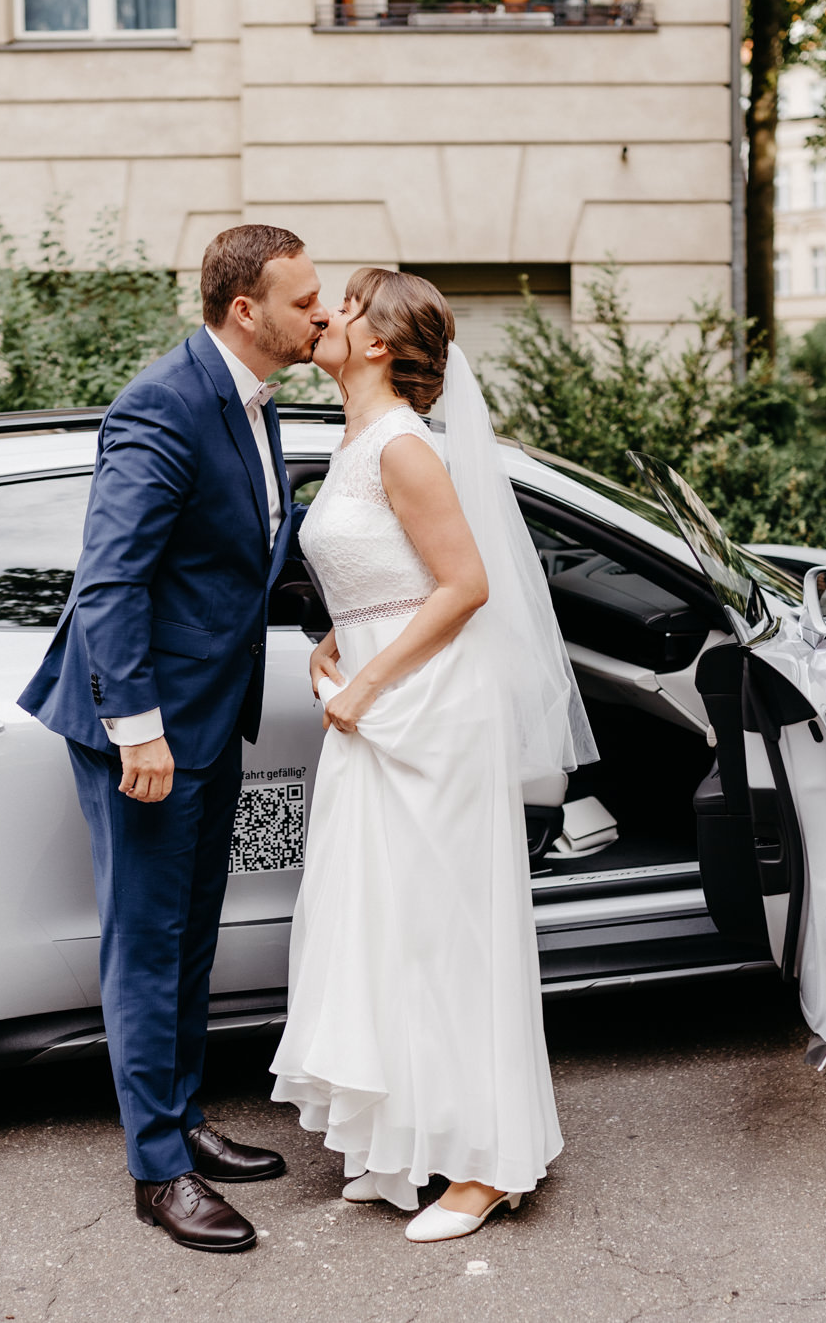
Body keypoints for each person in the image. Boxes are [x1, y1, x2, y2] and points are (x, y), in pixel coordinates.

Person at [268, 268, 596, 1243]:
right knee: (379, 927)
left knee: (448, 932)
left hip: (429, 716)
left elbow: (464, 586)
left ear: (376, 344)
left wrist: (368, 681)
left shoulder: (404, 448)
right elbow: (389, 580)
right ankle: (399, 1145)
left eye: (345, 307)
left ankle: (487, 1163)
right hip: (374, 707)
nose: (325, 315)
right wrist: (341, 642)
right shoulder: (356, 439)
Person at [18, 224, 329, 1254]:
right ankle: (157, 1171)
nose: (319, 315)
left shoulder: (247, 401)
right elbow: (109, 580)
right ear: (247, 310)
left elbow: (242, 554)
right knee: (147, 946)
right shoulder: (164, 402)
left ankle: (185, 1118)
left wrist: (328, 620)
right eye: (304, 300)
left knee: (192, 933)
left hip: (209, 712)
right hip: (146, 725)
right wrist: (136, 729)